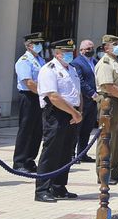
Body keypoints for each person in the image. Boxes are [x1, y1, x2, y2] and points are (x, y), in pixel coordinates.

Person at [33, 39, 82, 202]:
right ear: (57, 53)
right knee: (51, 150)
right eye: (66, 52)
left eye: (71, 52)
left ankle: (59, 187)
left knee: (66, 151)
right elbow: (53, 96)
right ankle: (42, 189)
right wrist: (74, 112)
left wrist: (78, 111)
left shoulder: (72, 69)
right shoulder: (49, 69)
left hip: (72, 113)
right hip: (56, 113)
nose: (70, 55)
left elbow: (77, 92)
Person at [94, 34, 118, 183]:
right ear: (106, 47)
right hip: (109, 102)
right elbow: (108, 86)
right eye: (114, 44)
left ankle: (115, 169)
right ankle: (103, 171)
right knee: (107, 138)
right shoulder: (105, 63)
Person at [12, 33, 45, 172]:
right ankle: (19, 162)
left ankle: (30, 160)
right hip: (29, 97)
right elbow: (29, 82)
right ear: (29, 45)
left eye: (40, 43)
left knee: (37, 130)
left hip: (39, 97)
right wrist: (44, 92)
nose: (39, 46)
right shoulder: (24, 61)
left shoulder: (41, 60)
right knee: (26, 130)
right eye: (36, 44)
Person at [71, 39, 100, 162]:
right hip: (83, 100)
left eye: (92, 48)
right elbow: (80, 81)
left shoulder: (95, 61)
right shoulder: (77, 63)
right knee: (77, 129)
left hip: (94, 101)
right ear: (81, 50)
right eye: (88, 49)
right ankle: (71, 154)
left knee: (87, 129)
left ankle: (82, 153)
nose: (90, 51)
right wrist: (91, 93)